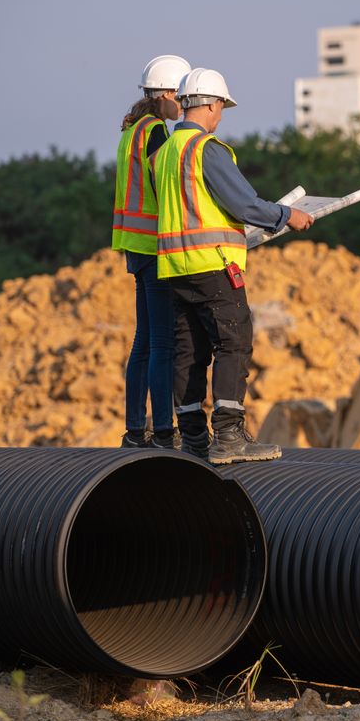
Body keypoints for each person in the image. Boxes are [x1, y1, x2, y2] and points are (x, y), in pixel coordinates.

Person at [153, 67, 313, 464]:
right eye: (221, 106)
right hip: (214, 265)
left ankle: (192, 438)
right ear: (208, 105)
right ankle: (228, 437)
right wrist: (286, 216)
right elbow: (242, 204)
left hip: (174, 270)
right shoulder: (205, 150)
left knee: (187, 352)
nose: (221, 115)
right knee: (233, 343)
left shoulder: (162, 155)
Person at [113, 54, 193, 449]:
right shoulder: (157, 132)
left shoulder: (132, 130)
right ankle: (164, 430)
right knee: (163, 342)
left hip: (135, 246)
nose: (185, 105)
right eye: (183, 96)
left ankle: (134, 430)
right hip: (155, 246)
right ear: (165, 93)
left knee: (143, 342)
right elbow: (169, 187)